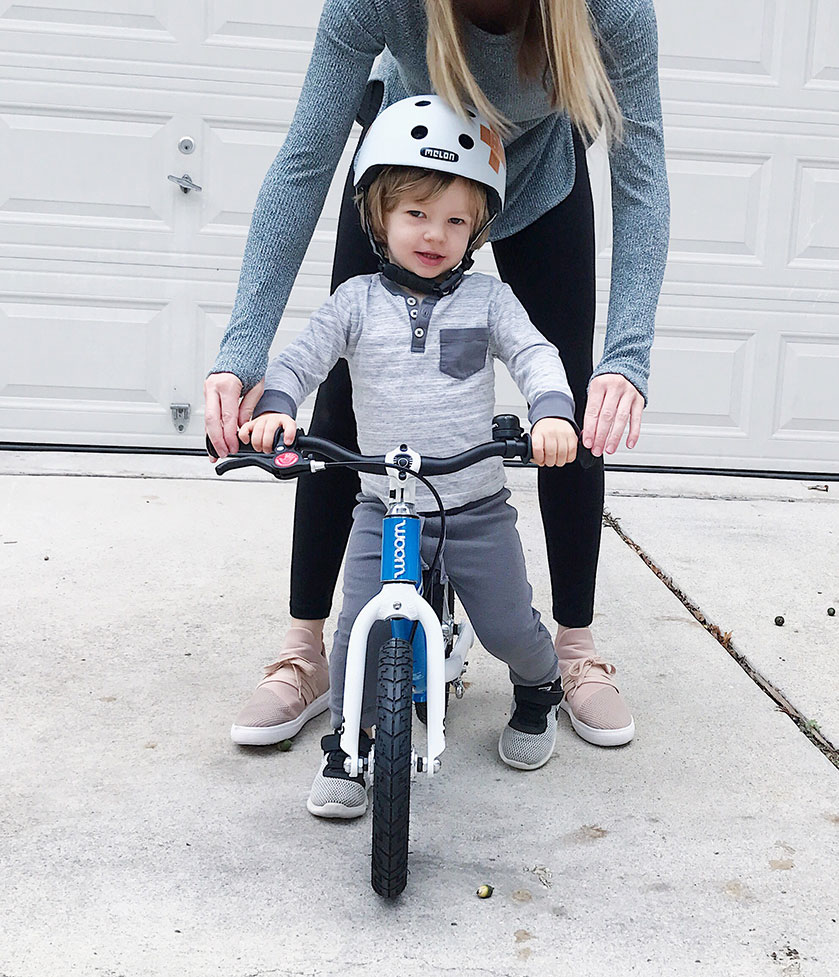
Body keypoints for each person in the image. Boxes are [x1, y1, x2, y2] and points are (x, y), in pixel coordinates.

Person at [207, 0, 669, 750]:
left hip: (538, 181)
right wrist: (242, 351)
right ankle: (306, 648)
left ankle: (574, 651)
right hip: (409, 178)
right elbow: (304, 162)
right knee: (345, 401)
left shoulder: (608, 12)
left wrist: (628, 356)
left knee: (572, 406)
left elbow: (643, 173)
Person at [239, 96, 579, 817]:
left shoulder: (489, 299)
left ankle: (541, 684)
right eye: (416, 213)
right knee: (357, 623)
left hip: (474, 508)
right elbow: (302, 358)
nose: (435, 234)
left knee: (508, 625)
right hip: (382, 506)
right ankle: (346, 746)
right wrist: (276, 405)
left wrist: (550, 411)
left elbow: (535, 354)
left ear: (478, 227)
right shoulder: (355, 302)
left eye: (457, 219)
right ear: (378, 216)